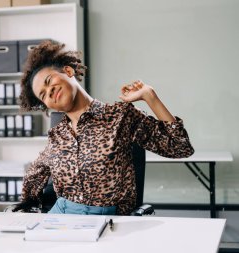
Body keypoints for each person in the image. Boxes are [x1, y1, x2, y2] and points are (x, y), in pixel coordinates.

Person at [13, 40, 194, 215]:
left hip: (109, 223)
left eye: (49, 81)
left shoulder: (120, 116)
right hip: (62, 220)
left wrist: (150, 97)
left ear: (68, 71)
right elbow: (33, 176)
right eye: (43, 95)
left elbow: (180, 147)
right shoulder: (57, 134)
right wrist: (27, 211)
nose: (49, 92)